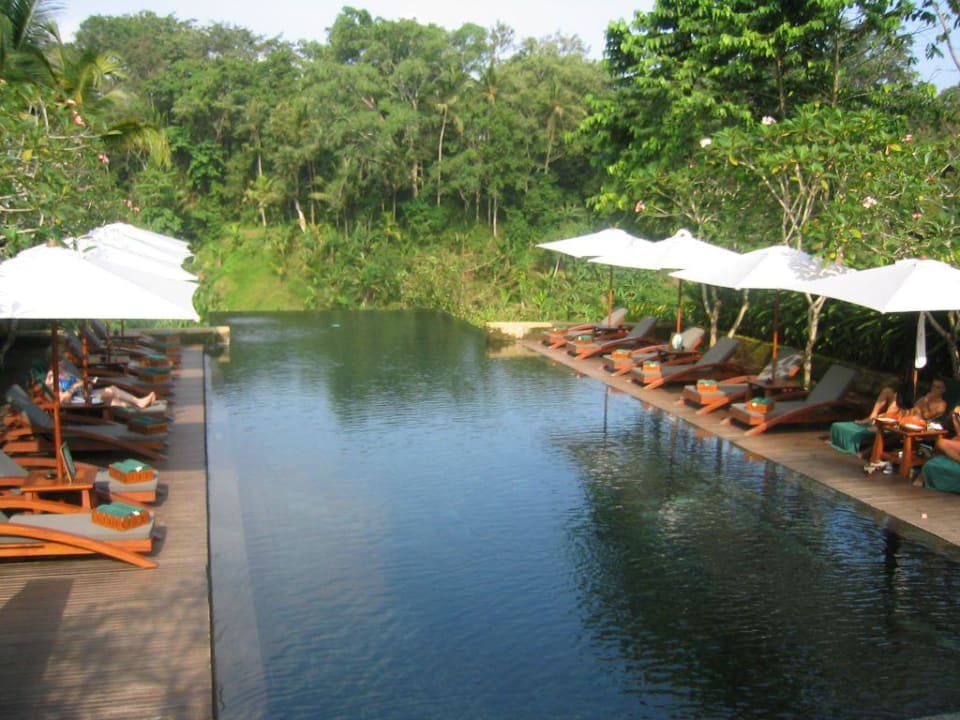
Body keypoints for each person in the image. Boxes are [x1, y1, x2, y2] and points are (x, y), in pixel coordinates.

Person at [45, 368, 157, 409]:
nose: (62, 365)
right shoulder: (52, 380)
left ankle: (138, 405)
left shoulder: (64, 373)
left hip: (84, 393)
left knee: (113, 398)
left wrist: (85, 382)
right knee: (112, 391)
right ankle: (139, 402)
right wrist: (76, 386)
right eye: (60, 363)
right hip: (78, 400)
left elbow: (79, 381)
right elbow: (64, 398)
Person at [857, 378, 947, 425]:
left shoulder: (942, 404)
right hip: (907, 413)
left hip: (915, 421)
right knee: (888, 391)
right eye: (933, 386)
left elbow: (926, 416)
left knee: (895, 405)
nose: (934, 389)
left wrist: (926, 401)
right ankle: (872, 417)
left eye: (937, 387)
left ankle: (884, 425)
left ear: (943, 390)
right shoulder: (925, 397)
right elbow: (914, 406)